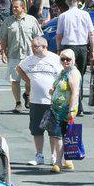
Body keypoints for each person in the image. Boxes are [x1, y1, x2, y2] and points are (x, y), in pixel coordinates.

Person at [17, 38, 62, 166]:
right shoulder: (29, 59)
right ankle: (39, 155)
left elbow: (63, 75)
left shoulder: (55, 59)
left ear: (44, 46)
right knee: (37, 129)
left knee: (53, 130)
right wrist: (29, 81)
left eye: (36, 46)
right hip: (35, 101)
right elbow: (19, 69)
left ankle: (53, 155)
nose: (33, 49)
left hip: (52, 101)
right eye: (32, 46)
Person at [0, 0, 42, 113]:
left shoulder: (31, 20)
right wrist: (3, 51)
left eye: (16, 7)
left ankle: (27, 94)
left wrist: (39, 52)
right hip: (13, 54)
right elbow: (3, 37)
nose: (13, 9)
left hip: (29, 55)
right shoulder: (8, 21)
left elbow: (38, 37)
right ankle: (18, 103)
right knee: (15, 80)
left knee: (30, 79)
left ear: (23, 8)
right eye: (13, 7)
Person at [56, 0, 94, 113]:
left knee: (69, 75)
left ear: (67, 2)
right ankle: (79, 104)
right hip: (82, 47)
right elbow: (91, 34)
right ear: (78, 1)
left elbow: (59, 35)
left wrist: (58, 49)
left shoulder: (63, 16)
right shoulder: (85, 14)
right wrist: (92, 50)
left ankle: (73, 103)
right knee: (80, 76)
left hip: (69, 46)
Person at [48, 49, 83, 173]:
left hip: (65, 110)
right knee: (64, 135)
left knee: (58, 136)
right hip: (57, 109)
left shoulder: (73, 73)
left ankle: (58, 163)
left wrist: (71, 109)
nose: (65, 61)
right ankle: (68, 161)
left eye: (68, 59)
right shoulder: (64, 71)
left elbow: (75, 93)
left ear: (73, 60)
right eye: (63, 59)